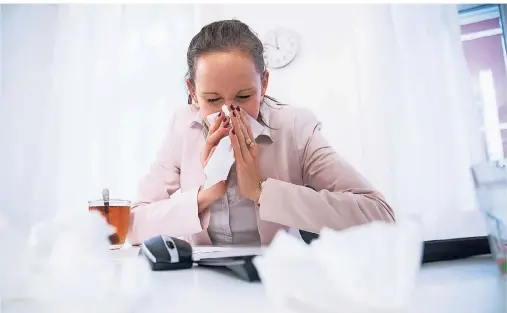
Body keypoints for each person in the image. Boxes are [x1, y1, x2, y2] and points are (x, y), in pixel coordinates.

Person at [127, 19, 395, 246]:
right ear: (192, 91)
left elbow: (380, 215)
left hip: (276, 279)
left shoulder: (295, 127)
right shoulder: (182, 127)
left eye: (243, 96)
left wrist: (262, 191)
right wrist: (205, 194)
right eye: (211, 99)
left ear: (264, 83)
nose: (228, 113)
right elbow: (133, 226)